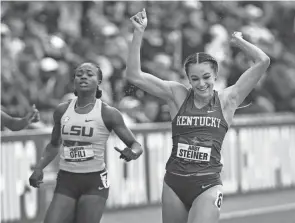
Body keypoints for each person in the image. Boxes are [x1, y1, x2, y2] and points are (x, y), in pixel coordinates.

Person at [126, 9, 270, 223]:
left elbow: (263, 61)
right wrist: (138, 32)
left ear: (215, 76)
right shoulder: (177, 94)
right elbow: (134, 76)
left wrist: (239, 41)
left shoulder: (227, 99)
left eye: (206, 77)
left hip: (208, 184)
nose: (201, 84)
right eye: (195, 79)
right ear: (188, 79)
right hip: (174, 183)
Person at [29, 62, 143, 223]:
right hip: (66, 180)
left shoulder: (108, 113)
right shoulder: (62, 110)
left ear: (99, 81)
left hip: (94, 182)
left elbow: (136, 145)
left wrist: (133, 153)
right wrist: (39, 168)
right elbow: (54, 144)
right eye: (79, 74)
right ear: (74, 80)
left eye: (89, 74)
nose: (83, 76)